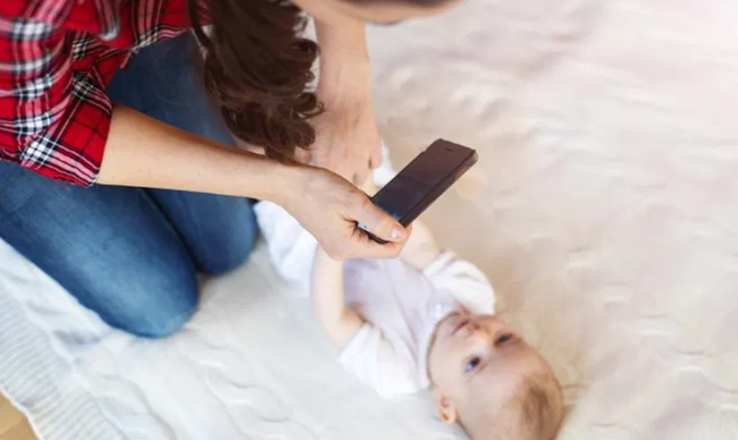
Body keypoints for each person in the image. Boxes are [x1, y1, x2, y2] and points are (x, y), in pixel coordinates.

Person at [0, 0, 462, 338]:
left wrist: (347, 84)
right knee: (161, 309)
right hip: (20, 121)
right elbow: (45, 134)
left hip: (136, 30)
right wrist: (288, 186)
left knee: (229, 247)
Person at [255, 170, 565, 440]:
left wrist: (332, 245)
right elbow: (422, 248)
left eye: (472, 363)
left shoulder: (396, 371)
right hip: (376, 206)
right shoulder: (474, 296)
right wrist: (372, 198)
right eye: (504, 338)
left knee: (271, 155)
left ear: (445, 402)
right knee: (363, 161)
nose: (479, 335)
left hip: (309, 240)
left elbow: (333, 316)